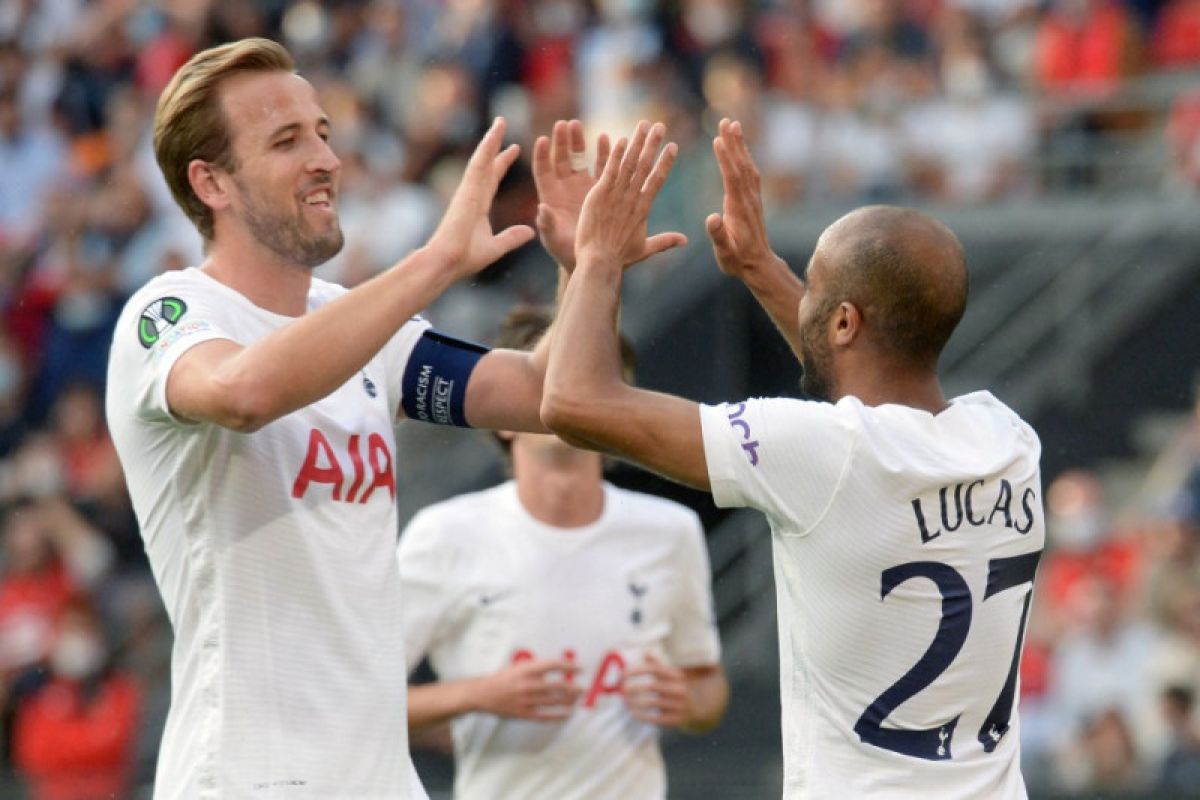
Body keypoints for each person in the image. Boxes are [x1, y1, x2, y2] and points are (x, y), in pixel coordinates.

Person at [103, 39, 683, 799]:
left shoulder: (357, 323)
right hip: (247, 777)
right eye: (287, 141)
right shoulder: (169, 312)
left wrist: (588, 268)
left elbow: (546, 395)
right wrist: (438, 259)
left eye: (323, 132)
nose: (325, 159)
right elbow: (244, 392)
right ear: (210, 182)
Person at [540, 118, 1046, 798]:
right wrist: (760, 267)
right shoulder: (1008, 440)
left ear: (842, 321)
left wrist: (594, 258)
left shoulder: (819, 453)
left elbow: (573, 402)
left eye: (811, 284)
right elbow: (861, 378)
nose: (800, 294)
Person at [398, 307, 728, 800]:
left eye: (595, 383)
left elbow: (707, 686)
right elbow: (364, 696)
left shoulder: (670, 531)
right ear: (502, 418)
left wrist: (685, 701)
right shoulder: (442, 535)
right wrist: (481, 695)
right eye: (550, 381)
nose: (571, 402)